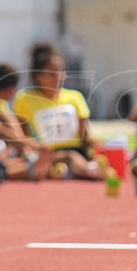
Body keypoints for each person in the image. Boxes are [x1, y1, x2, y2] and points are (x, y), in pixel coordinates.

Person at [13, 42, 102, 180]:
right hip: (46, 154)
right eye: (52, 73)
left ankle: (81, 170)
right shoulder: (25, 99)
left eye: (61, 71)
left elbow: (86, 135)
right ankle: (90, 171)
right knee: (69, 158)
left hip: (77, 152)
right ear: (38, 76)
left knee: (73, 157)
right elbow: (22, 135)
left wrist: (101, 147)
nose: (59, 77)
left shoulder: (75, 97)